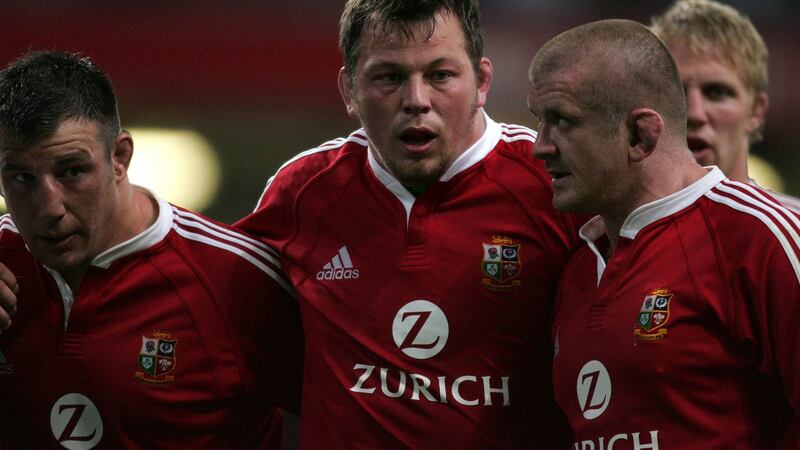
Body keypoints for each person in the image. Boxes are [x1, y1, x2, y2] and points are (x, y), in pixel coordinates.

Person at [236, 0, 579, 447]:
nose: (417, 101)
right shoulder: (302, 193)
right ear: (349, 90)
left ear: (481, 82)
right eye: (389, 77)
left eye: (440, 75)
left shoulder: (554, 187)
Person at [0, 51, 304, 449]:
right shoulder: (5, 257)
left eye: (72, 171)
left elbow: (358, 416)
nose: (49, 208)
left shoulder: (233, 280)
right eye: (21, 178)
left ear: (120, 157)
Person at [528, 18, 799, 449]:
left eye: (562, 121)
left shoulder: (758, 238)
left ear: (641, 135)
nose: (540, 145)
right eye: (539, 121)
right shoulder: (578, 267)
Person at [651, 0, 800, 211]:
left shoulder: (793, 232)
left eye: (717, 93)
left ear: (756, 111)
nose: (695, 114)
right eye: (677, 92)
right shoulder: (599, 235)